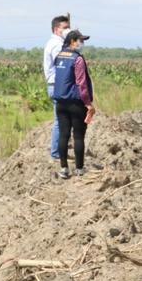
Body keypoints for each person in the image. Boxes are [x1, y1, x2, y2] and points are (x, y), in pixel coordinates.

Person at [52, 28, 95, 179]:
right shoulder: (78, 59)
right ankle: (79, 169)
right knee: (78, 136)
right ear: (72, 41)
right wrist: (88, 103)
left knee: (63, 135)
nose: (82, 43)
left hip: (60, 102)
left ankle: (64, 169)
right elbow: (81, 83)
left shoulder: (59, 56)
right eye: (80, 40)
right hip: (76, 102)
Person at [43, 14, 71, 159]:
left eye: (68, 27)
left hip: (56, 85)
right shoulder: (56, 44)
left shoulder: (58, 43)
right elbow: (63, 64)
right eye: (64, 28)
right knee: (60, 121)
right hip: (58, 85)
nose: (67, 30)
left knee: (63, 119)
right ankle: (56, 154)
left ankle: (60, 150)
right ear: (56, 29)